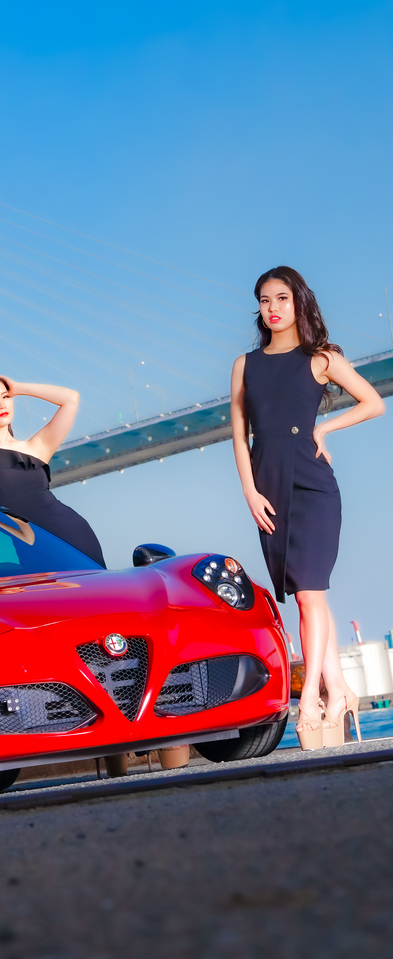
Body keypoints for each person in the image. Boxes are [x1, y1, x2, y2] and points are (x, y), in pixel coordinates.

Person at [230, 266, 383, 750]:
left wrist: (324, 429)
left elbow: (373, 402)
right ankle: (341, 691)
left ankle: (311, 700)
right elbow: (239, 433)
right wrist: (250, 491)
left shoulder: (321, 358)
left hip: (314, 486)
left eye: (282, 298)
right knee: (306, 594)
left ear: (298, 302)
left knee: (310, 595)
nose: (272, 308)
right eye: (264, 300)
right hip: (269, 485)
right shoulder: (245, 365)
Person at [0, 374, 106, 567]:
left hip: (74, 535)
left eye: (5, 397)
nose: (2, 405)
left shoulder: (36, 447)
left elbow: (71, 398)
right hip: (30, 547)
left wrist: (18, 388)